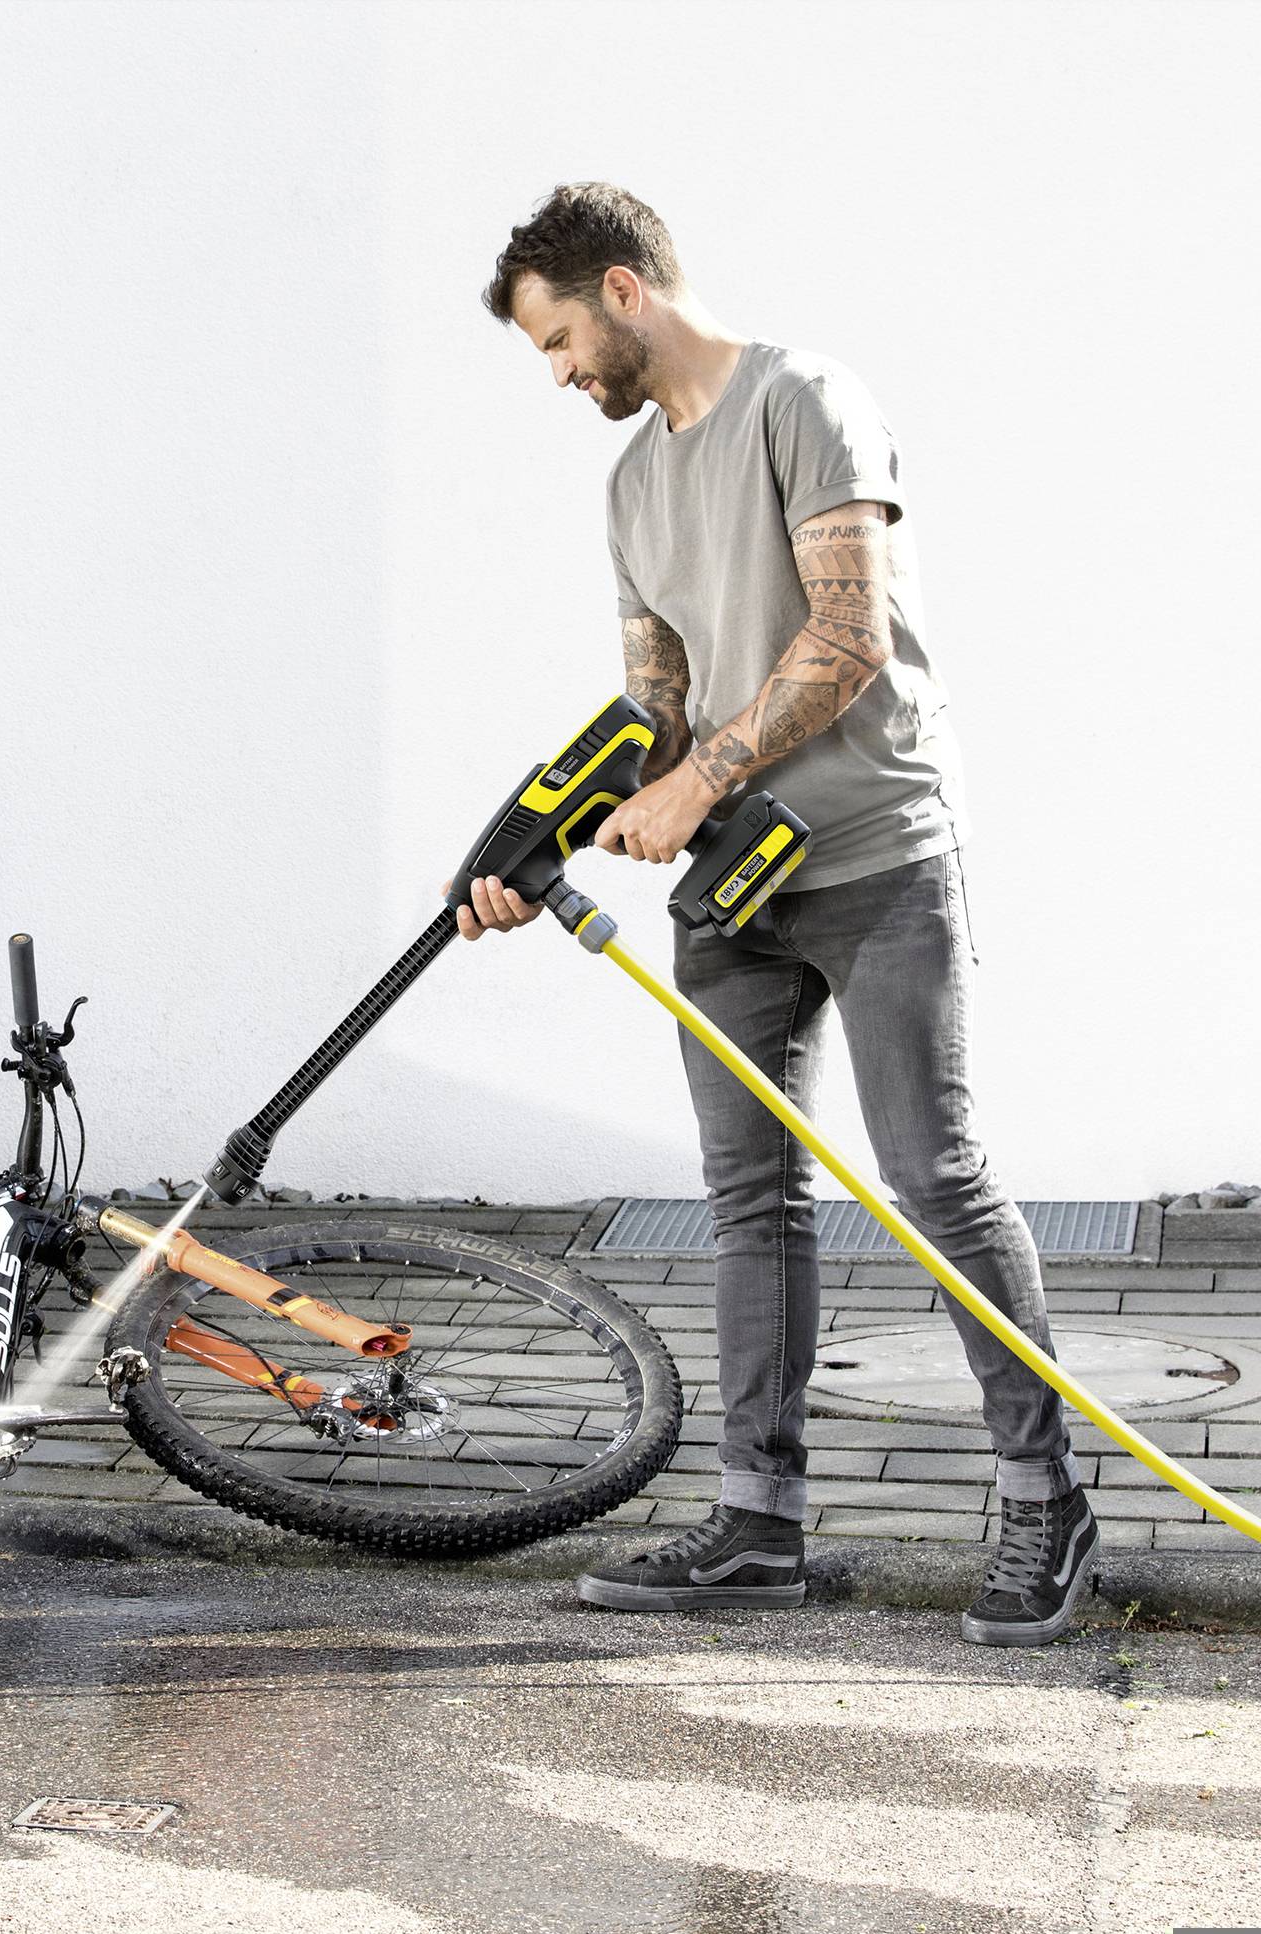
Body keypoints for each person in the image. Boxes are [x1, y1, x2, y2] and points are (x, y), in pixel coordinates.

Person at [457, 182, 1097, 1648]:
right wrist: (520, 844)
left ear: (621, 291)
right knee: (748, 1202)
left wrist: (704, 779)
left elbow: (849, 636)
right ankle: (759, 1524)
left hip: (873, 852)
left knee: (933, 1176)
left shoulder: (803, 399)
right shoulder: (629, 489)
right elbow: (647, 707)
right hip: (732, 889)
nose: (557, 376)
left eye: (557, 340)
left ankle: (1041, 1497)